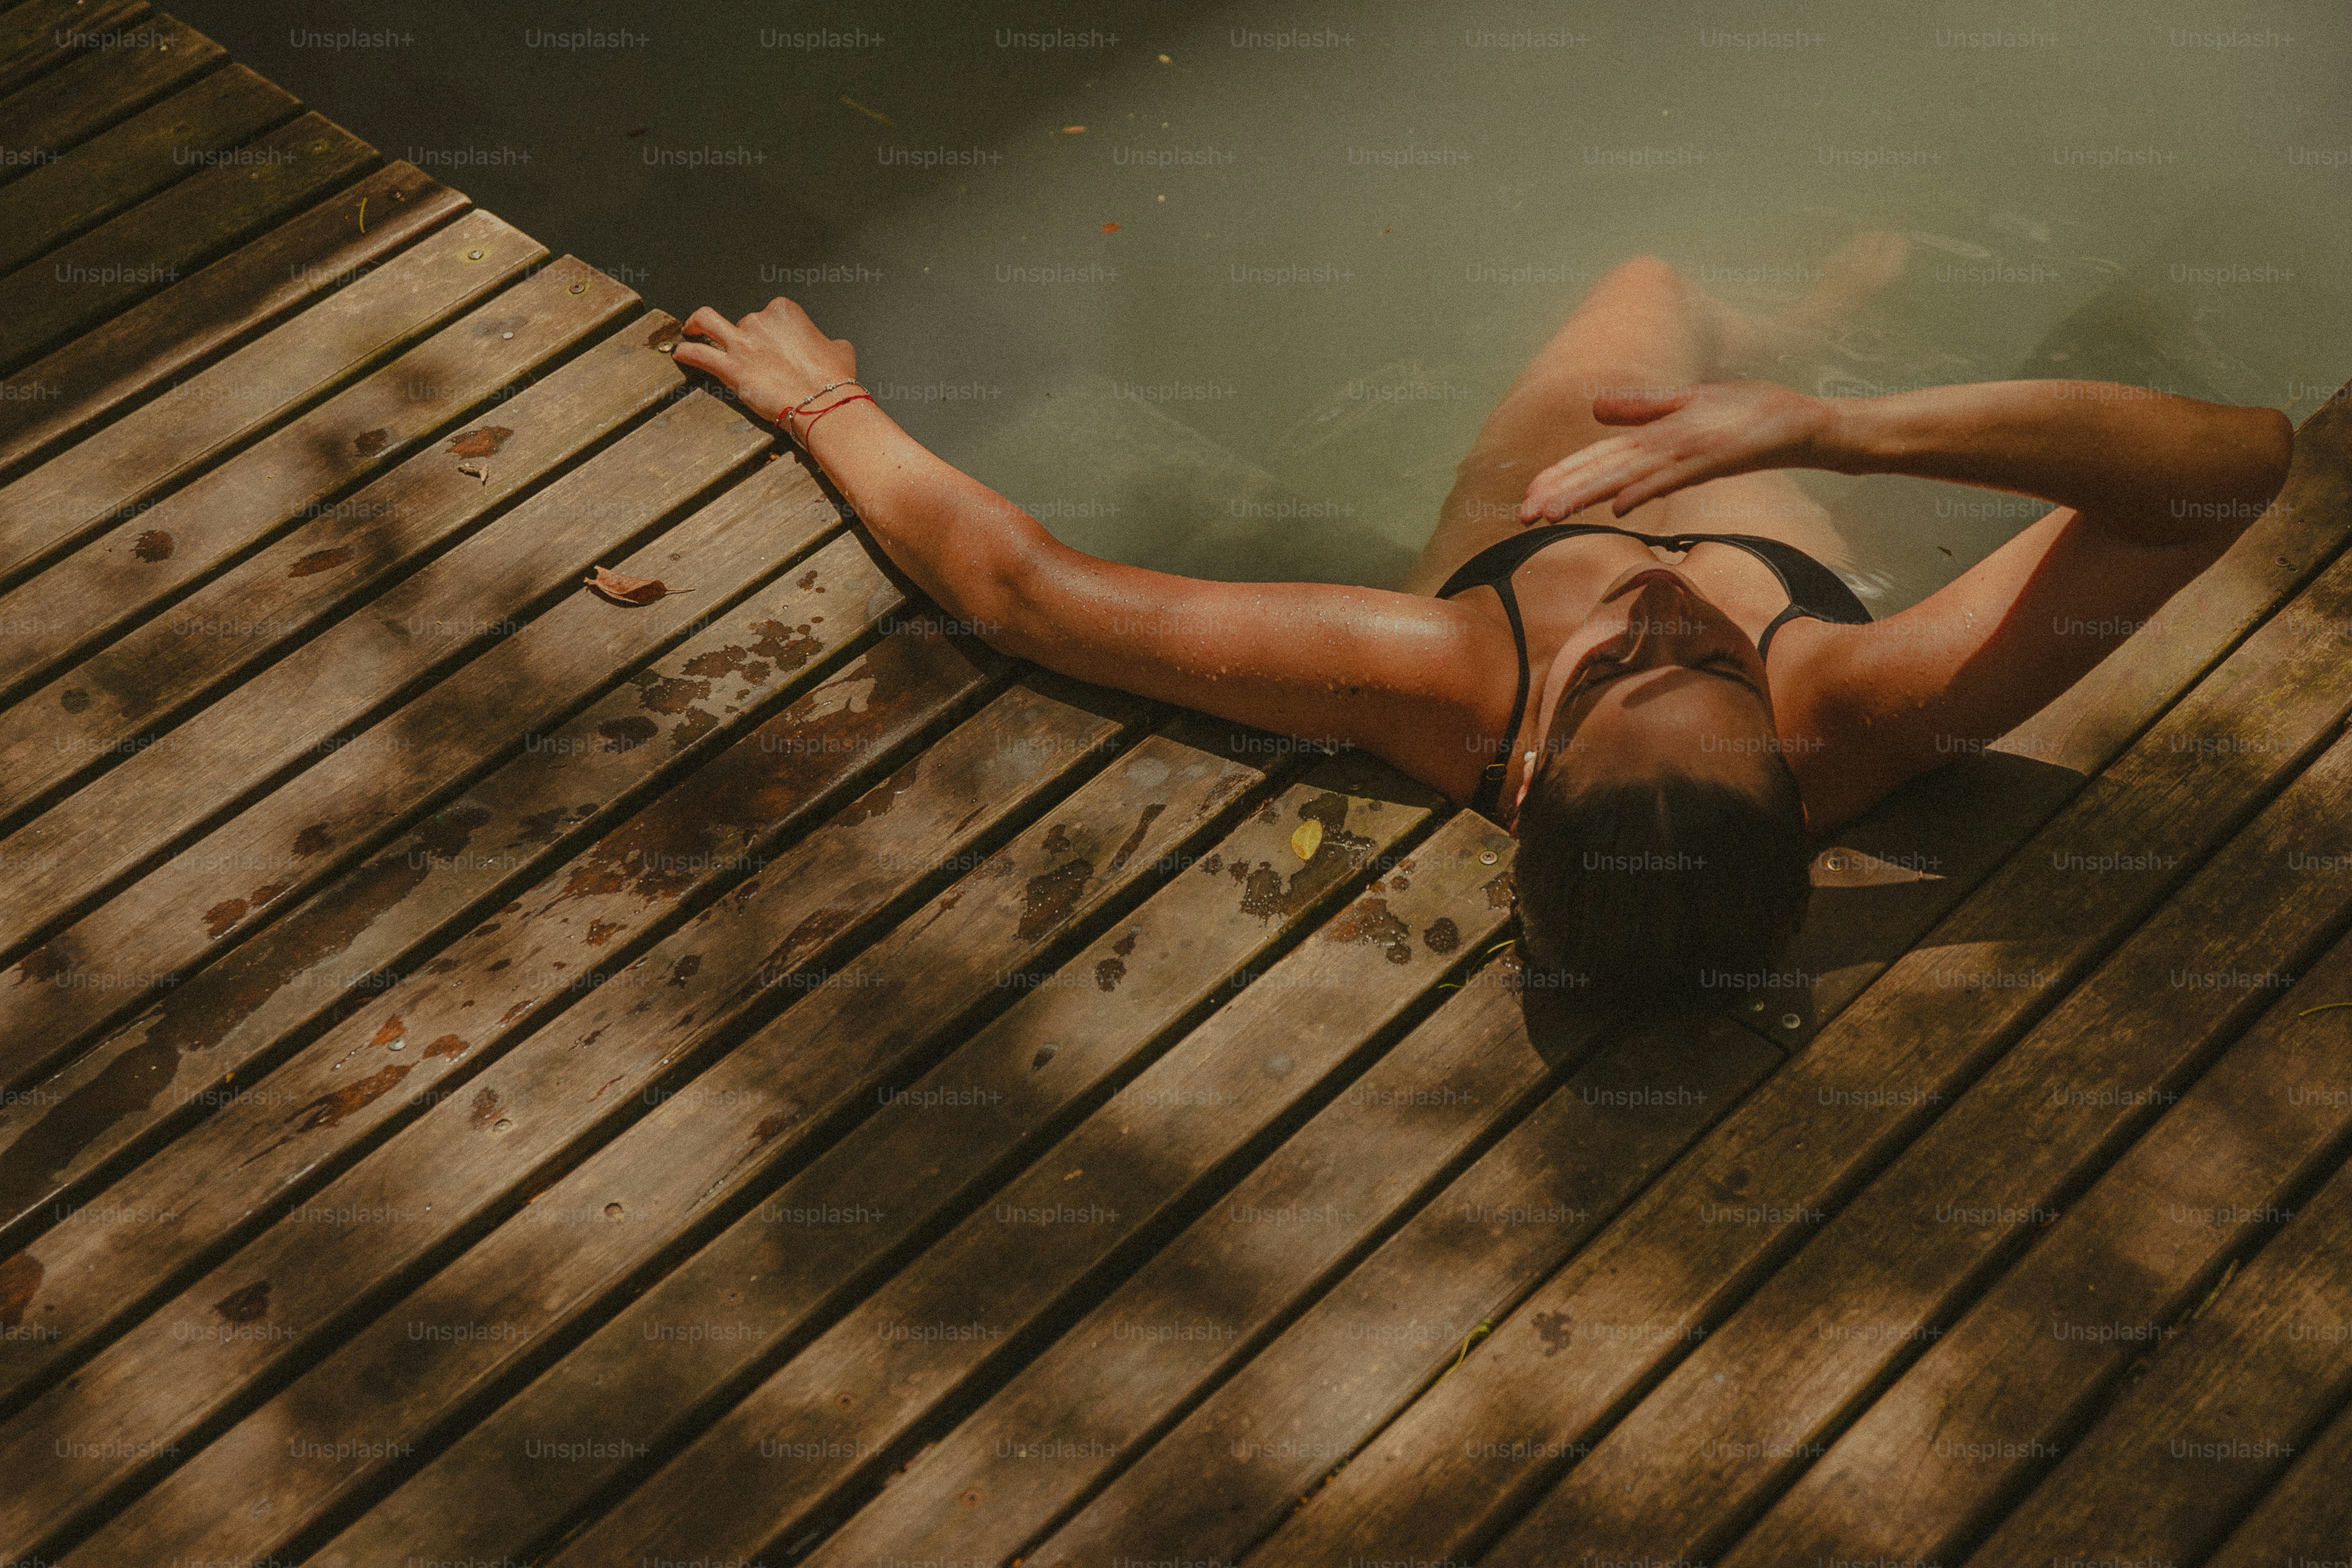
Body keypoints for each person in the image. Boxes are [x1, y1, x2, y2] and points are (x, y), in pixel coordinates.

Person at [674, 236, 2292, 1017]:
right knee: (1702, 304)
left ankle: (1766, 318)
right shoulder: (1863, 707)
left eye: (1615, 671)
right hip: (1776, 463)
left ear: (1521, 769)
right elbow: (2232, 470)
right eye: (1708, 664)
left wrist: (822, 404)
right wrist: (1819, 427)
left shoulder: (1440, 683)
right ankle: (1789, 333)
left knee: (1642, 269)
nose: (1654, 596)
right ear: (1789, 772)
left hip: (1533, 477)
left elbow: (1022, 593)